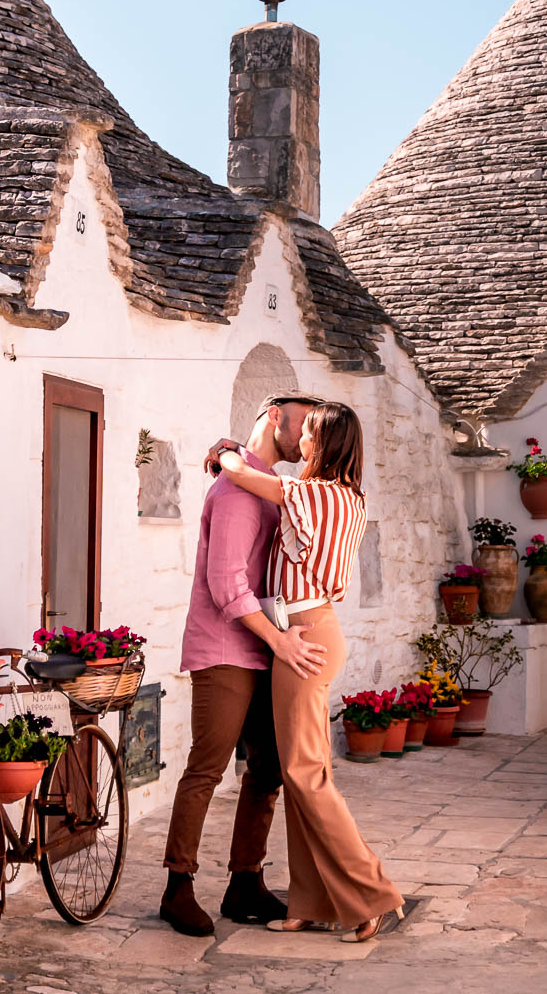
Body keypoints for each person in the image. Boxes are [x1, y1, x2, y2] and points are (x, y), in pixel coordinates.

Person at [216, 402, 404, 944]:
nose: (302, 445)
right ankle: (311, 901)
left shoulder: (312, 493)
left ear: (327, 445)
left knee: (306, 775)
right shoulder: (351, 498)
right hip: (316, 628)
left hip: (302, 637)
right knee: (305, 771)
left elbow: (241, 473)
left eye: (311, 436)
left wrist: (225, 448)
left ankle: (371, 896)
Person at [159, 392, 328, 938]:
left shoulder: (263, 485)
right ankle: (177, 888)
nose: (309, 440)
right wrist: (279, 643)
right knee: (208, 767)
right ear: (274, 416)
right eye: (304, 425)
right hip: (226, 650)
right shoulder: (235, 491)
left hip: (262, 649)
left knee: (270, 767)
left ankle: (244, 884)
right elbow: (226, 585)